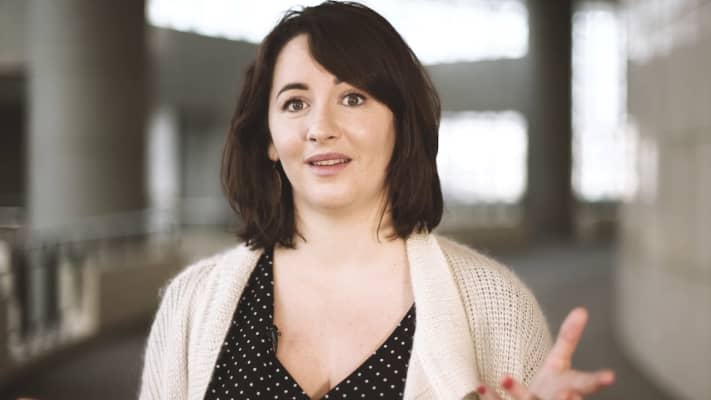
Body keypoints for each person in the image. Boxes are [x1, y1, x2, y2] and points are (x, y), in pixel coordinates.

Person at [138, 2, 615, 399]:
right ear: (268, 139)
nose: (320, 128)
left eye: (353, 98)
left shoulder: (497, 308)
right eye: (295, 103)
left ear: (400, 123)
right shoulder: (192, 302)